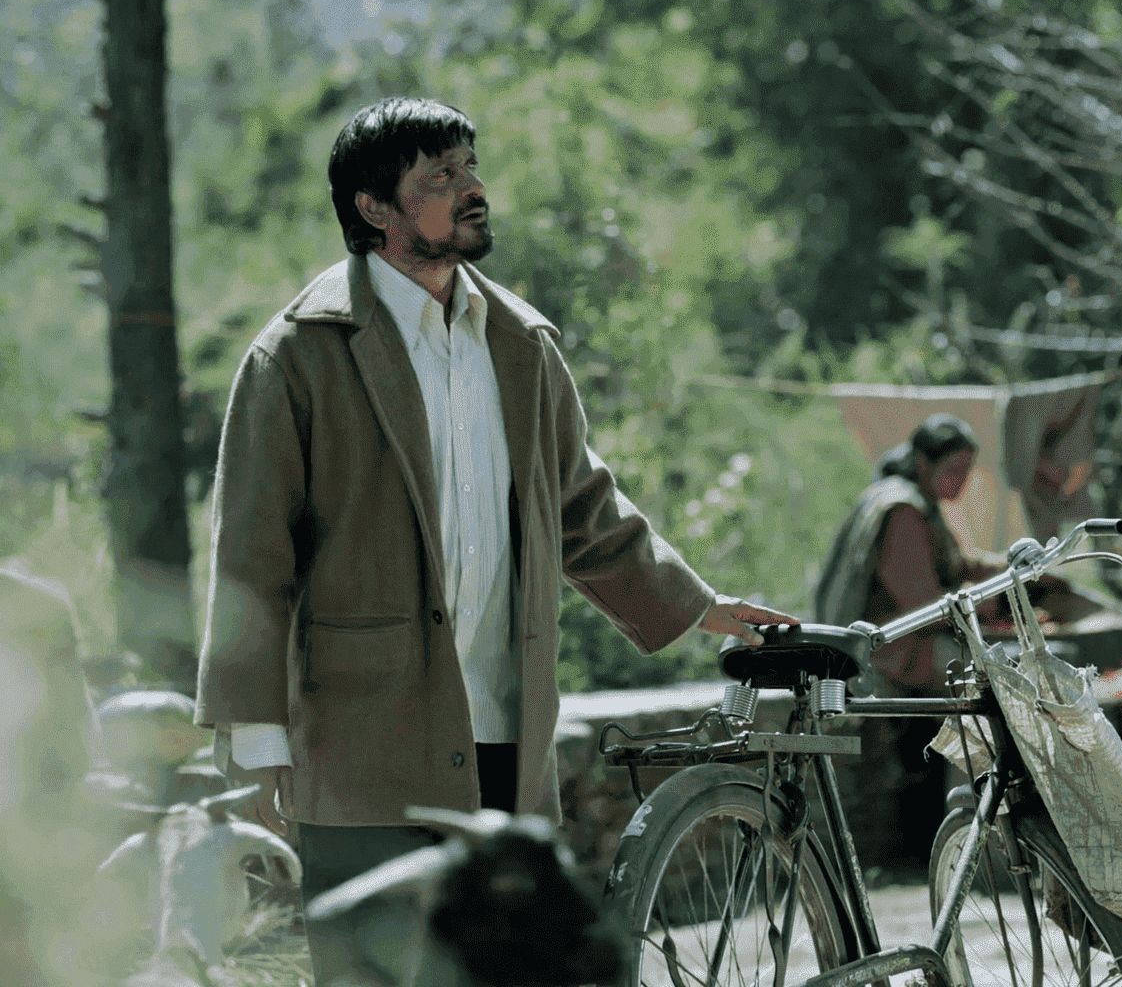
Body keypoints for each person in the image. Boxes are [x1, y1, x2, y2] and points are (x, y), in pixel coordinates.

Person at [191, 98, 796, 980]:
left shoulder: (521, 343)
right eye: (440, 177)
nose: (471, 190)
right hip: (359, 739)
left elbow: (583, 509)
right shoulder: (297, 356)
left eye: (471, 168)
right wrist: (258, 739)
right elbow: (252, 554)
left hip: (505, 730)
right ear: (374, 209)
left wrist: (697, 606)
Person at [814, 412, 995, 691]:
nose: (962, 480)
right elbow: (921, 605)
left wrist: (1005, 570)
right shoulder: (904, 511)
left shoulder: (923, 503)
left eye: (966, 472)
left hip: (904, 642)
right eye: (954, 470)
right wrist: (986, 607)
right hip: (887, 651)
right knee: (987, 677)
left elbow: (955, 565)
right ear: (924, 463)